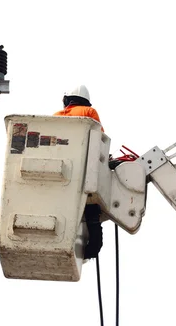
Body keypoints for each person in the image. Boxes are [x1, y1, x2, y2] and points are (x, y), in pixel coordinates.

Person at [54, 84, 104, 258]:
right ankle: (92, 249)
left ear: (67, 100)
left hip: (60, 172)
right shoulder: (89, 113)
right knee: (91, 210)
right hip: (85, 172)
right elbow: (100, 141)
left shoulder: (56, 117)